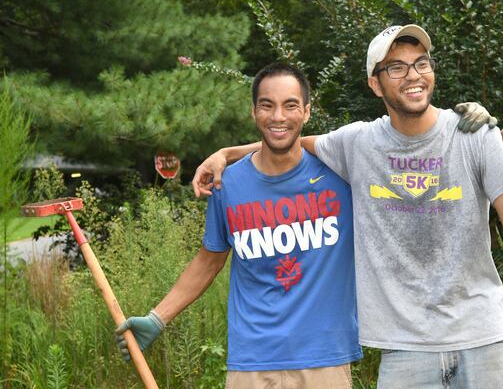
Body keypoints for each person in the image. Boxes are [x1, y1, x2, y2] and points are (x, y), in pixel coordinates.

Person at [192, 24, 503, 388]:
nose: (413, 75)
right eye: (396, 67)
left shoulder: (476, 135)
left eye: (421, 63)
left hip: (483, 338)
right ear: (375, 84)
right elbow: (287, 138)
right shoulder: (357, 143)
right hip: (403, 349)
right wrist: (226, 154)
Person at [116, 63, 362, 389]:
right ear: (253, 112)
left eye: (290, 105)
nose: (278, 116)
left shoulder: (340, 175)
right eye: (267, 105)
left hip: (324, 359)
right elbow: (209, 260)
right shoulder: (228, 183)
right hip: (252, 362)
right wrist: (157, 318)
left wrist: (227, 151)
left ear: (306, 111)